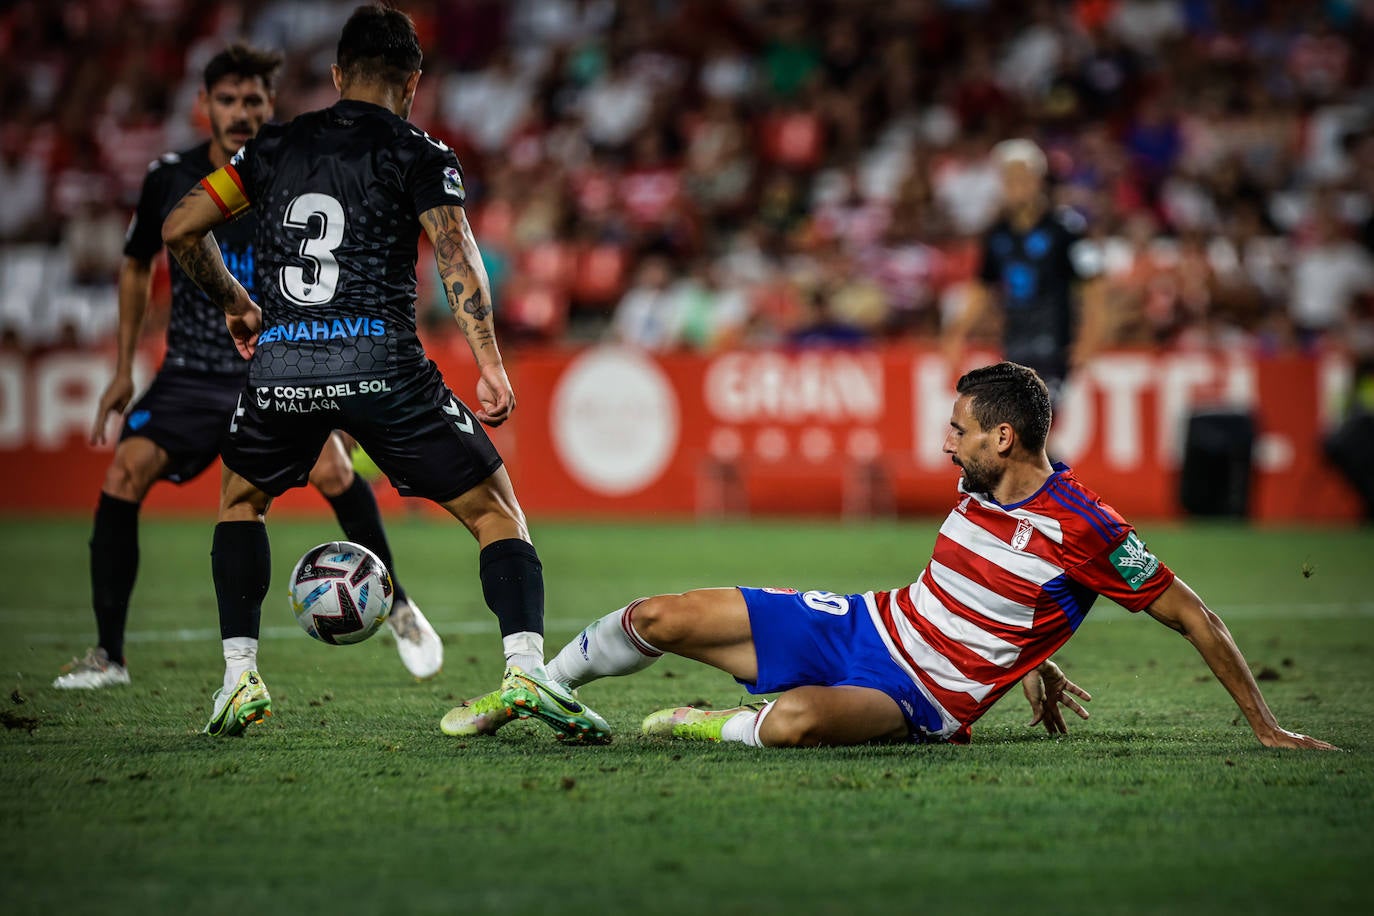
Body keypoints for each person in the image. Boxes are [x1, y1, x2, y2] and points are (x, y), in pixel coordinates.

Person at [446, 362, 1336, 752]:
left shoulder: (1089, 526)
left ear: (1004, 435)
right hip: (870, 623)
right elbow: (993, 593)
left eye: (959, 432)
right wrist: (1035, 656)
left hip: (924, 697)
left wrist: (1265, 725)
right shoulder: (980, 485)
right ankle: (531, 689)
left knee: (796, 724)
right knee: (656, 616)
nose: (946, 445)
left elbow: (1193, 614)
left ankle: (702, 721)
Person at [161, 4, 607, 741]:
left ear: (338, 77)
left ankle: (238, 679)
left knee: (241, 504)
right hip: (382, 364)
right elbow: (458, 256)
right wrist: (490, 365)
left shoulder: (271, 148)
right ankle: (525, 668)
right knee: (496, 512)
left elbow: (181, 225)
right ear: (414, 81)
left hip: (284, 367)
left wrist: (238, 303)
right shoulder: (420, 152)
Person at [56, 43, 441, 691]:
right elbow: (134, 264)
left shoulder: (291, 169)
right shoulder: (167, 179)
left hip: (273, 365)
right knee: (124, 473)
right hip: (191, 369)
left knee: (332, 467)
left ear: (272, 104)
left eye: (254, 100)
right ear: (203, 104)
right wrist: (123, 368)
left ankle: (396, 602)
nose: (240, 112)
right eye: (228, 99)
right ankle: (108, 656)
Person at [943, 139, 1108, 402]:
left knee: (1035, 420)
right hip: (1014, 341)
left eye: (1021, 176)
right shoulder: (997, 235)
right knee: (1023, 425)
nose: (1014, 184)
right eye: (1007, 178)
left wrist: (1090, 337)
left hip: (1055, 342)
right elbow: (982, 288)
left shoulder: (1066, 229)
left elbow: (1094, 284)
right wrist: (957, 333)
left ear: (1038, 179)